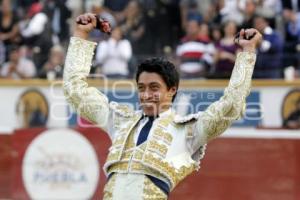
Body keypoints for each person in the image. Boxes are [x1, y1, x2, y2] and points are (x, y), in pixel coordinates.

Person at [63, 13, 262, 200]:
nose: (146, 95)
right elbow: (74, 91)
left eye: (154, 87)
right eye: (141, 88)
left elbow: (232, 104)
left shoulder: (188, 131)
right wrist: (81, 34)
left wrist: (247, 52)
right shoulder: (121, 121)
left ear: (172, 90)